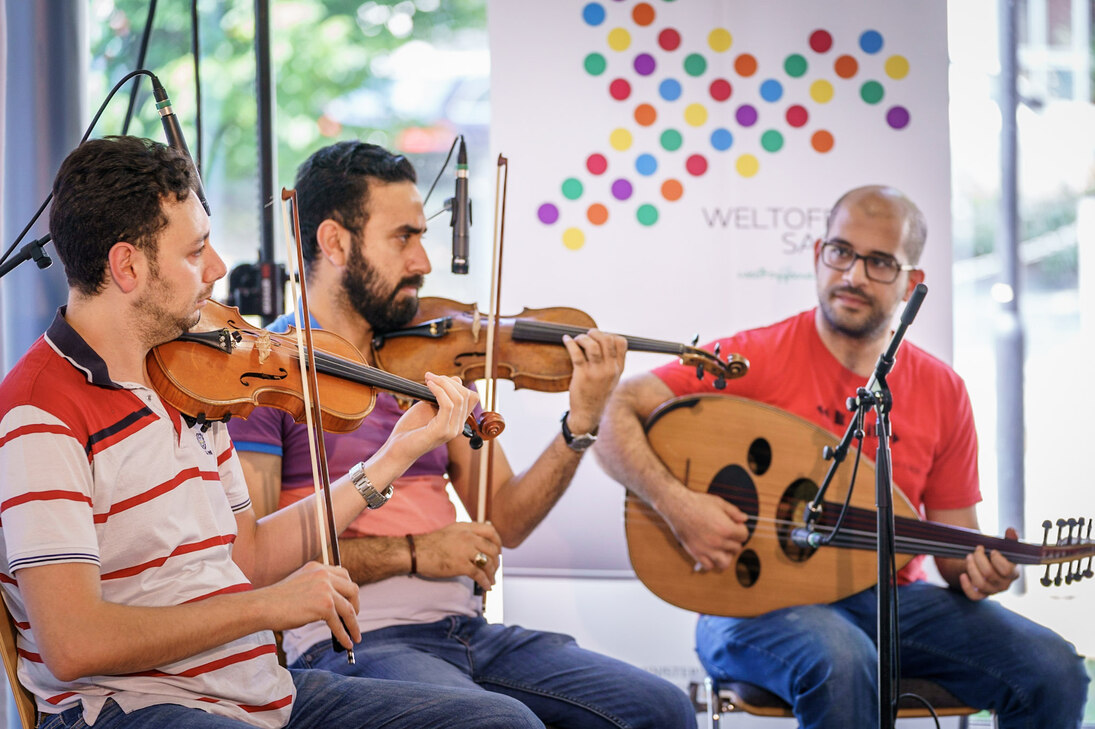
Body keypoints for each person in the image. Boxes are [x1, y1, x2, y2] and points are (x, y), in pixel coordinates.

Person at [0, 136, 545, 729]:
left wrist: (394, 456)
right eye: (195, 252)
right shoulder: (40, 413)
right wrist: (267, 606)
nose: (217, 270)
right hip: (131, 707)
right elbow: (75, 643)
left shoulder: (194, 380)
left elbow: (250, 555)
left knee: (501, 723)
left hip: (255, 691)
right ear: (127, 265)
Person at [227, 140, 698, 729]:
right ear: (334, 243)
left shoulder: (427, 360)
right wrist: (417, 552)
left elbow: (505, 519)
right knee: (501, 725)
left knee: (661, 710)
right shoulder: (269, 373)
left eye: (424, 236)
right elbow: (253, 561)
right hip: (351, 642)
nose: (424, 261)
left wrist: (580, 422)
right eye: (404, 238)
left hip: (469, 630)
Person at [594, 185, 1089, 727]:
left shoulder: (942, 389)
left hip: (892, 603)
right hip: (752, 601)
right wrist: (678, 506)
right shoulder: (755, 357)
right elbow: (617, 408)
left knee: (1054, 668)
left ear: (911, 282)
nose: (852, 275)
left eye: (879, 262)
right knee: (843, 658)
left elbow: (953, 551)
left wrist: (980, 570)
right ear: (817, 255)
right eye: (841, 252)